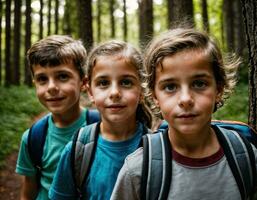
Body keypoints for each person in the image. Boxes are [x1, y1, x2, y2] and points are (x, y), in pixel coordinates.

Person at [111, 28, 257, 200]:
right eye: (170, 87)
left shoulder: (247, 158)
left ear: (219, 88)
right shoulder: (138, 170)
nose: (185, 99)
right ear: (154, 95)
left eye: (199, 84)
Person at [49, 40, 152, 199]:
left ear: (141, 90)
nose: (115, 93)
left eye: (126, 82)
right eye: (103, 83)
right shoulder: (78, 149)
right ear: (90, 92)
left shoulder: (155, 149)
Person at [16, 35, 89, 200]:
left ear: (83, 83)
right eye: (42, 79)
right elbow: (28, 193)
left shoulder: (101, 127)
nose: (52, 87)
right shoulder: (33, 138)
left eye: (63, 76)